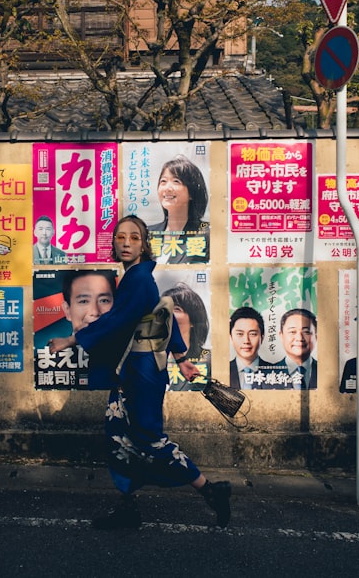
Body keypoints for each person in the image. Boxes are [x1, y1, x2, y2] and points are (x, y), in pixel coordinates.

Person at [48, 215, 231, 530]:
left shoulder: (140, 279)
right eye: (120, 238)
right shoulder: (137, 278)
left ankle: (209, 489)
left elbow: (119, 320)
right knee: (119, 434)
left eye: (134, 237)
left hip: (142, 371)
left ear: (144, 243)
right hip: (135, 369)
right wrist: (180, 356)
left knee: (147, 437)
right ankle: (127, 506)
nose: (126, 243)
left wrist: (72, 338)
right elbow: (161, 314)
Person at [146, 156, 210, 264]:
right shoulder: (147, 233)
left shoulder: (207, 233)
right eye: (163, 181)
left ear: (192, 192)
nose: (167, 188)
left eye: (176, 181)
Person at [163, 282, 212, 392]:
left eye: (176, 309)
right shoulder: (150, 357)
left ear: (193, 320)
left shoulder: (208, 359)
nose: (167, 313)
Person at [266, 308, 318, 390]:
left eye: (306, 332)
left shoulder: (327, 373)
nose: (299, 338)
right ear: (281, 335)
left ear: (316, 336)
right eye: (292, 332)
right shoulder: (265, 375)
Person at [228, 306, 273, 390]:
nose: (246, 341)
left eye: (252, 334)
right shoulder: (222, 371)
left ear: (262, 338)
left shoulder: (274, 372)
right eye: (240, 334)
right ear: (231, 337)